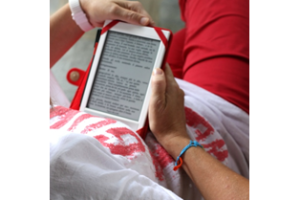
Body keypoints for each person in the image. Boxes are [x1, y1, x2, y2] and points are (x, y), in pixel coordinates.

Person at [49, 0, 250, 199]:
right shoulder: (61, 167)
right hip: (219, 120)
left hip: (154, 99)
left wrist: (81, 12)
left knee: (181, 34)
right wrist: (175, 137)